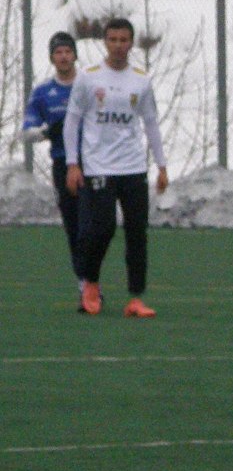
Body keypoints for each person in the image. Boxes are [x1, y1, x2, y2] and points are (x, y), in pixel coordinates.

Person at [62, 18, 168, 317]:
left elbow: (150, 123)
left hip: (133, 166)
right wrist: (72, 164)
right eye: (113, 40)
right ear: (105, 42)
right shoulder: (88, 77)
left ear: (131, 43)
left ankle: (135, 298)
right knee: (103, 228)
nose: (118, 45)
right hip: (99, 166)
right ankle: (91, 283)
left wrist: (161, 165)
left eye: (124, 40)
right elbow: (72, 121)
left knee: (137, 232)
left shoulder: (141, 80)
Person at [21, 32, 86, 300]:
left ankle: (92, 275)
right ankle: (85, 282)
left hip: (95, 161)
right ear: (51, 58)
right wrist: (48, 132)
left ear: (75, 55)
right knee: (74, 224)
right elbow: (27, 133)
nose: (64, 57)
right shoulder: (43, 93)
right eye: (58, 52)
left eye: (68, 51)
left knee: (95, 224)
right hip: (63, 164)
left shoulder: (88, 85)